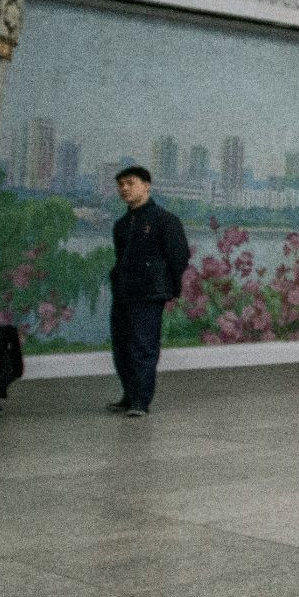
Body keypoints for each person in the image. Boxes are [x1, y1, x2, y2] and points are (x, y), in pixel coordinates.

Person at [106, 166, 190, 417]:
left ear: (147, 185)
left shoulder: (165, 220)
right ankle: (129, 395)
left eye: (130, 183)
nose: (124, 189)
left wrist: (166, 286)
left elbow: (180, 257)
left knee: (143, 346)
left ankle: (141, 401)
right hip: (123, 293)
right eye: (121, 184)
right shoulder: (121, 225)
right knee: (122, 346)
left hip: (149, 294)